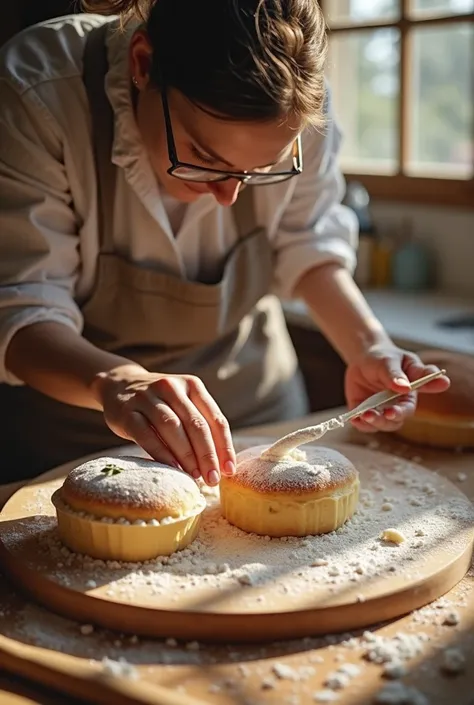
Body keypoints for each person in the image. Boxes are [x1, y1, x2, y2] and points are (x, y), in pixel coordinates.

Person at [0, 0, 448, 486]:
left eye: (259, 171)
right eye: (203, 156)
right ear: (143, 64)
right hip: (73, 444)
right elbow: (22, 309)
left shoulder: (299, 100)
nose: (228, 195)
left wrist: (369, 347)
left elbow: (309, 247)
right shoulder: (39, 90)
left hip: (259, 414)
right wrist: (118, 383)